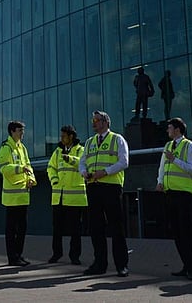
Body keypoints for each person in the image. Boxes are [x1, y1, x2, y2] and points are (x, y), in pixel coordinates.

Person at [79, 110, 131, 277]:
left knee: (116, 227)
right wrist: (83, 172)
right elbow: (82, 162)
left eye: (97, 120)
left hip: (111, 187)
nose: (93, 123)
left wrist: (106, 172)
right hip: (93, 187)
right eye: (92, 120)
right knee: (96, 227)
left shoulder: (117, 139)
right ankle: (99, 263)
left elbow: (124, 162)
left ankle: (121, 265)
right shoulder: (89, 142)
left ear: (106, 122)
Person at [156, 117, 192, 280]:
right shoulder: (168, 146)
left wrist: (174, 159)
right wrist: (159, 182)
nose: (167, 130)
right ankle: (186, 265)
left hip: (185, 193)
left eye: (170, 128)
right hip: (170, 192)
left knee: (186, 231)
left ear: (178, 129)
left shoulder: (189, 145)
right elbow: (162, 166)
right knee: (175, 231)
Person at [46, 124, 86, 265]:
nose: (61, 138)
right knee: (57, 229)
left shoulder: (81, 150)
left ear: (71, 136)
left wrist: (70, 159)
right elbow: (51, 167)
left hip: (75, 198)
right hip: (58, 197)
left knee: (75, 230)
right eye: (61, 136)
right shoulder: (57, 151)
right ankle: (56, 254)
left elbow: (83, 164)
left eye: (64, 136)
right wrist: (54, 180)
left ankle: (74, 256)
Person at [0, 120, 35, 267]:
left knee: (22, 229)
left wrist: (32, 179)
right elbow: (4, 168)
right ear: (12, 131)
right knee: (11, 229)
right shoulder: (5, 148)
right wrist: (20, 168)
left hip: (23, 195)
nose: (22, 133)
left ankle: (18, 255)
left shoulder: (22, 148)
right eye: (20, 130)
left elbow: (29, 166)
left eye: (22, 130)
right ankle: (12, 257)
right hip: (11, 197)